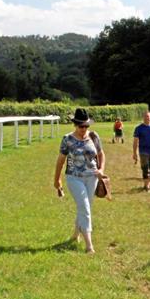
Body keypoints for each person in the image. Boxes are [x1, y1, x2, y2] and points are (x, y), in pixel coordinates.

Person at [53, 108, 105, 255]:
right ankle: (89, 245)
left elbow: (101, 154)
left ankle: (76, 234)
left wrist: (101, 170)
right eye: (81, 126)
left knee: (84, 207)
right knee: (85, 208)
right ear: (75, 125)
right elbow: (60, 161)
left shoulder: (94, 136)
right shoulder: (67, 139)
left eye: (86, 126)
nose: (84, 129)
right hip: (74, 177)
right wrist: (56, 180)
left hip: (92, 177)